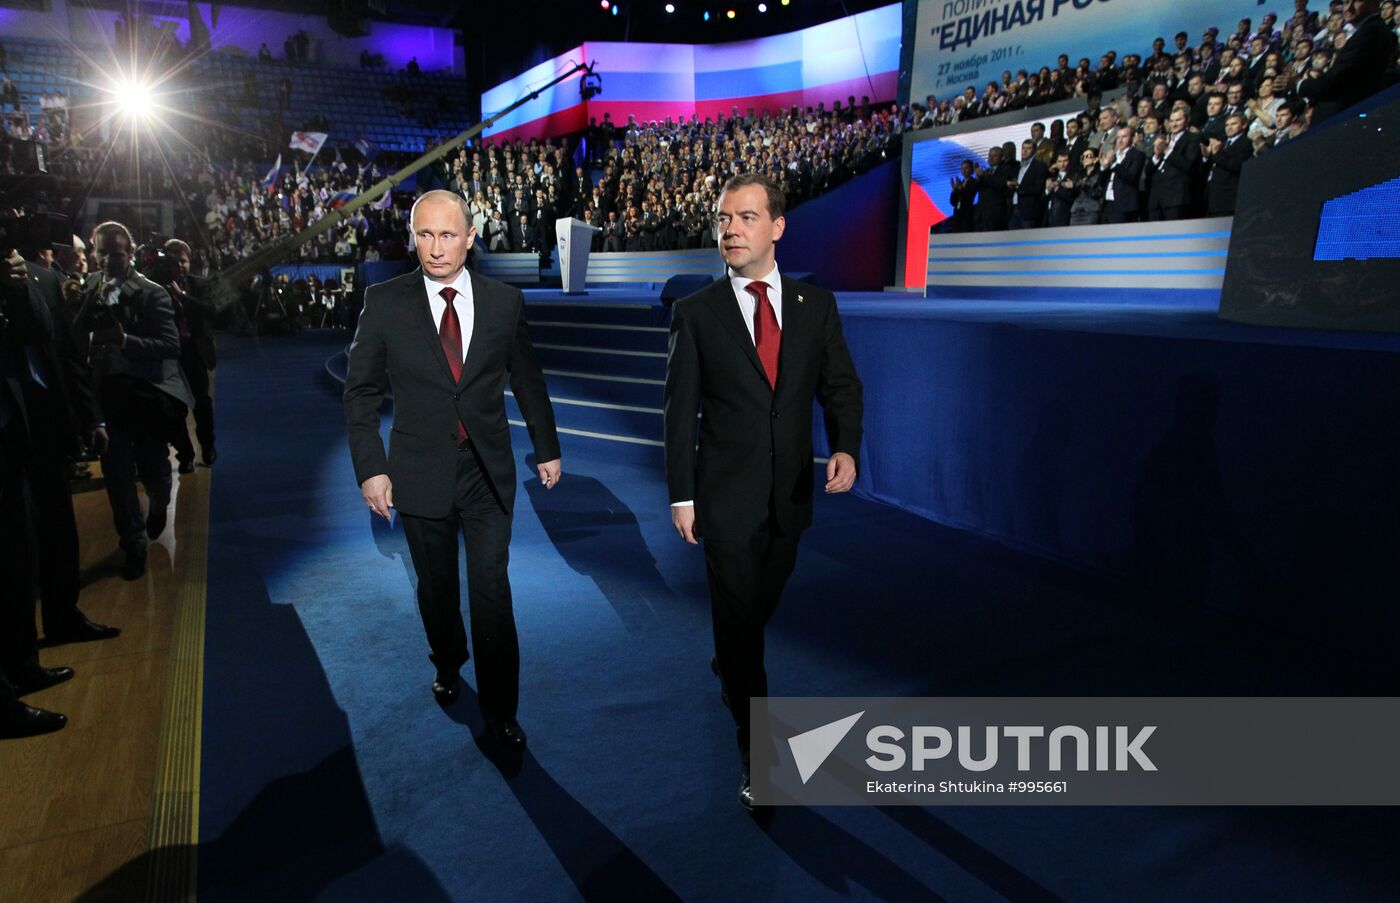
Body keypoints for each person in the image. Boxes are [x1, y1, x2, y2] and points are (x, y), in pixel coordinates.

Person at [664, 173, 863, 810]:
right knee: (744, 630)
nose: (730, 229)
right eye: (724, 218)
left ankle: (732, 652)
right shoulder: (695, 313)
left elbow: (841, 386)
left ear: (777, 227)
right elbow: (678, 413)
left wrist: (846, 443)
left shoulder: (815, 306)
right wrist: (682, 495)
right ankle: (760, 756)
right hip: (722, 499)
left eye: (745, 218)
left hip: (791, 496)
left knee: (754, 608)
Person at [343, 190, 560, 751]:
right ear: (412, 237)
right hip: (417, 470)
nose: (435, 248)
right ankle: (447, 657)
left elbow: (528, 380)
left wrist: (547, 446)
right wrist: (371, 468)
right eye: (423, 235)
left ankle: (501, 712)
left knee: (492, 592)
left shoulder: (504, 302)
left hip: (487, 470)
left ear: (469, 237)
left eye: (446, 236)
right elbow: (360, 391)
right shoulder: (385, 302)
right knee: (437, 590)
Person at [76, 222, 193, 580]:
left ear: (129, 253)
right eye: (102, 253)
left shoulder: (152, 293)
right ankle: (134, 546)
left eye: (116, 252)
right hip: (107, 398)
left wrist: (126, 339)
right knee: (117, 477)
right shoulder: (90, 289)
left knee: (156, 472)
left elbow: (171, 346)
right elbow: (77, 336)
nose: (108, 260)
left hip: (144, 396)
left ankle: (160, 504)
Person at [163, 239, 217, 469]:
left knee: (202, 404)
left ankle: (207, 446)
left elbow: (210, 310)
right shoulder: (157, 286)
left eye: (183, 261)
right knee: (174, 408)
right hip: (170, 354)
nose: (180, 266)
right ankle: (184, 454)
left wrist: (182, 295)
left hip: (195, 352)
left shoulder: (199, 284)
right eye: (175, 262)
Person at [1297, 0, 1398, 120]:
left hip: (1346, 120)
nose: (1348, 8)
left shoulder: (1371, 31)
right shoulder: (1367, 30)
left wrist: (1300, 84)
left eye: (1357, 1)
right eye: (1346, 2)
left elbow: (1339, 80)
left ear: (1374, 3)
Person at [1147, 108, 1201, 220]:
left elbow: (1188, 165)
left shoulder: (1192, 138)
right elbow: (1148, 172)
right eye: (1172, 121)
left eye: (1178, 120)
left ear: (1187, 120)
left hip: (1176, 198)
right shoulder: (1164, 139)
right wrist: (1156, 156)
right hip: (1156, 199)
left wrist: (1167, 150)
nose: (1174, 124)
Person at [1204, 113, 1254, 215]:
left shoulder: (1246, 143)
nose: (1229, 128)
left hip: (1229, 198)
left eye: (1233, 124)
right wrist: (1206, 156)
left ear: (1244, 125)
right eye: (1227, 125)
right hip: (1213, 197)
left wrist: (1217, 154)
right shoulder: (1222, 143)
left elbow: (1236, 166)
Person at [1101, 126, 1148, 223]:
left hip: (1124, 205)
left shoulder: (1137, 155)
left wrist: (1114, 164)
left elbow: (1131, 177)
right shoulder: (1113, 155)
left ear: (1132, 138)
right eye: (1118, 137)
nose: (1120, 141)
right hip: (1107, 203)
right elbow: (1100, 181)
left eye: (1124, 137)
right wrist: (1104, 167)